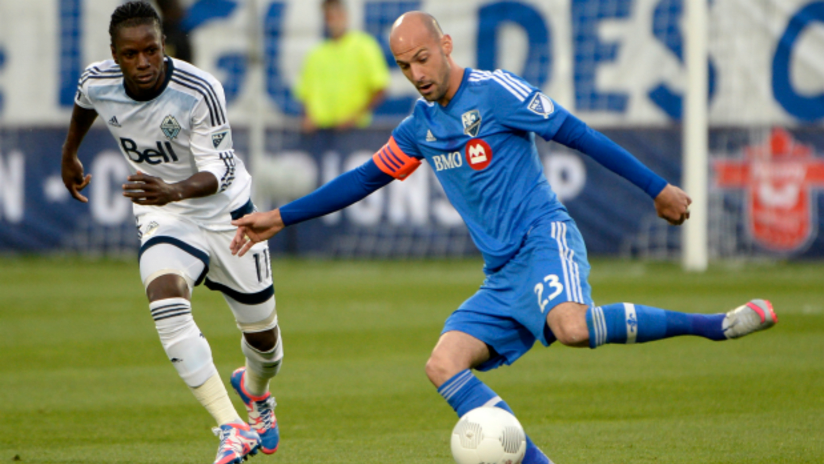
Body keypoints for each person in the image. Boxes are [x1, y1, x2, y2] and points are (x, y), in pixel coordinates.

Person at [230, 11, 778, 464]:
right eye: (403, 66)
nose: (416, 73)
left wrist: (657, 187)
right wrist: (281, 217)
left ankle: (712, 327)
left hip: (544, 237)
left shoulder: (495, 92)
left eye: (422, 58)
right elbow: (365, 178)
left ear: (445, 45)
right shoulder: (419, 126)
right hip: (501, 273)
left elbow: (578, 133)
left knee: (572, 328)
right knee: (442, 365)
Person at [60, 3, 281, 463]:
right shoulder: (96, 79)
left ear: (164, 47)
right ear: (115, 55)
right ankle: (232, 427)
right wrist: (70, 154)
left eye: (150, 50)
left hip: (227, 215)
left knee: (265, 343)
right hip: (167, 217)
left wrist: (172, 189)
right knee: (163, 296)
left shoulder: (199, 89)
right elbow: (84, 104)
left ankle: (256, 393)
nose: (142, 62)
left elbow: (218, 169)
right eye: (130, 54)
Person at [295, 0, 390, 132]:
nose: (333, 22)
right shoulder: (315, 54)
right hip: (320, 132)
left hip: (356, 131)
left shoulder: (365, 46)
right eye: (329, 17)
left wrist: (355, 117)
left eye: (336, 16)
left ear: (345, 15)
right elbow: (305, 93)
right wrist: (308, 116)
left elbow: (380, 88)